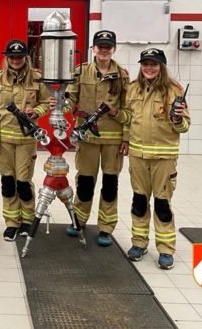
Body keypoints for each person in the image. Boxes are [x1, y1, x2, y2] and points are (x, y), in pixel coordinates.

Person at [63, 30, 130, 247]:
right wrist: (60, 106)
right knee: (84, 182)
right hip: (87, 138)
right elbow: (70, 97)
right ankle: (79, 221)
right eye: (100, 46)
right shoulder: (81, 71)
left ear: (114, 49)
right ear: (93, 48)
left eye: (108, 47)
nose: (104, 50)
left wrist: (126, 138)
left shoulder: (122, 75)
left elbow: (129, 109)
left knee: (110, 185)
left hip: (113, 139)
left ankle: (106, 228)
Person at [125, 48, 190, 270]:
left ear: (161, 66)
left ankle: (165, 249)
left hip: (164, 156)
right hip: (138, 155)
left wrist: (177, 119)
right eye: (145, 64)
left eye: (153, 64)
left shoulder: (174, 90)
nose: (149, 68)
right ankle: (139, 244)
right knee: (139, 201)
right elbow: (127, 119)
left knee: (162, 203)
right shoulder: (133, 88)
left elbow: (185, 126)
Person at [0, 40, 51, 241]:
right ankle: (12, 223)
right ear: (7, 58)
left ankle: (27, 220)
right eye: (12, 57)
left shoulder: (37, 78)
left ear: (26, 57)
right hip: (4, 139)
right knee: (8, 181)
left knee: (23, 182)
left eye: (19, 57)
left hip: (26, 140)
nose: (16, 60)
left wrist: (36, 111)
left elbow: (46, 102)